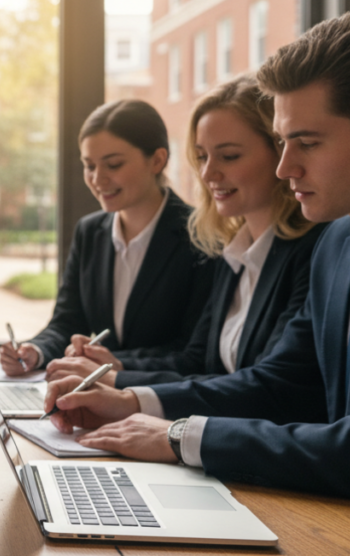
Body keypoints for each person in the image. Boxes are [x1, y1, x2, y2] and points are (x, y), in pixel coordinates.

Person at [44, 11, 350, 498]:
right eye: (282, 142)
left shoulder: (315, 243)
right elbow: (279, 382)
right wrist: (130, 400)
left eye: (307, 143)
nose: (285, 166)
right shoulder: (337, 244)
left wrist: (175, 432)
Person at [46, 76, 323, 388]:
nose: (207, 173)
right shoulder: (235, 252)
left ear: (279, 153)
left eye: (229, 156)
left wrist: (122, 386)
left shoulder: (314, 251)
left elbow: (272, 387)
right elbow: (200, 360)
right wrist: (115, 367)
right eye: (202, 157)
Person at [0, 100, 215, 375]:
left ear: (158, 160)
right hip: (99, 397)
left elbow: (194, 352)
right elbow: (67, 322)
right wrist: (35, 351)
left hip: (165, 401)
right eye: (89, 166)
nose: (98, 179)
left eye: (113, 165)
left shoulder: (202, 236)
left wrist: (114, 363)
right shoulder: (89, 231)